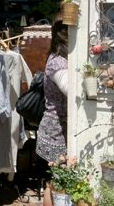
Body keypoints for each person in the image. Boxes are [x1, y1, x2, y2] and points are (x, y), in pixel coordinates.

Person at [35, 17, 69, 206]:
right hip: (55, 133)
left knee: (57, 183)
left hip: (57, 132)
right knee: (54, 184)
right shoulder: (57, 62)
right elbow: (69, 88)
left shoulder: (61, 59)